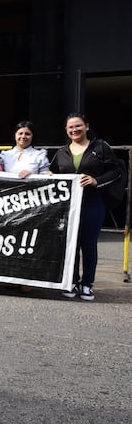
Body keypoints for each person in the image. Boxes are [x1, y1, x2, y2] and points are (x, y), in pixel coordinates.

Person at [50, 113, 125, 302]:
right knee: (71, 245)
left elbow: (117, 171)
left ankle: (87, 284)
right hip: (68, 206)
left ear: (87, 126)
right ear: (66, 131)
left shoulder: (100, 147)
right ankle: (72, 282)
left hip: (93, 203)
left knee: (89, 245)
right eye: (70, 128)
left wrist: (96, 180)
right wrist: (49, 175)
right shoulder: (61, 152)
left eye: (78, 126)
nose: (74, 130)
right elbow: (54, 172)